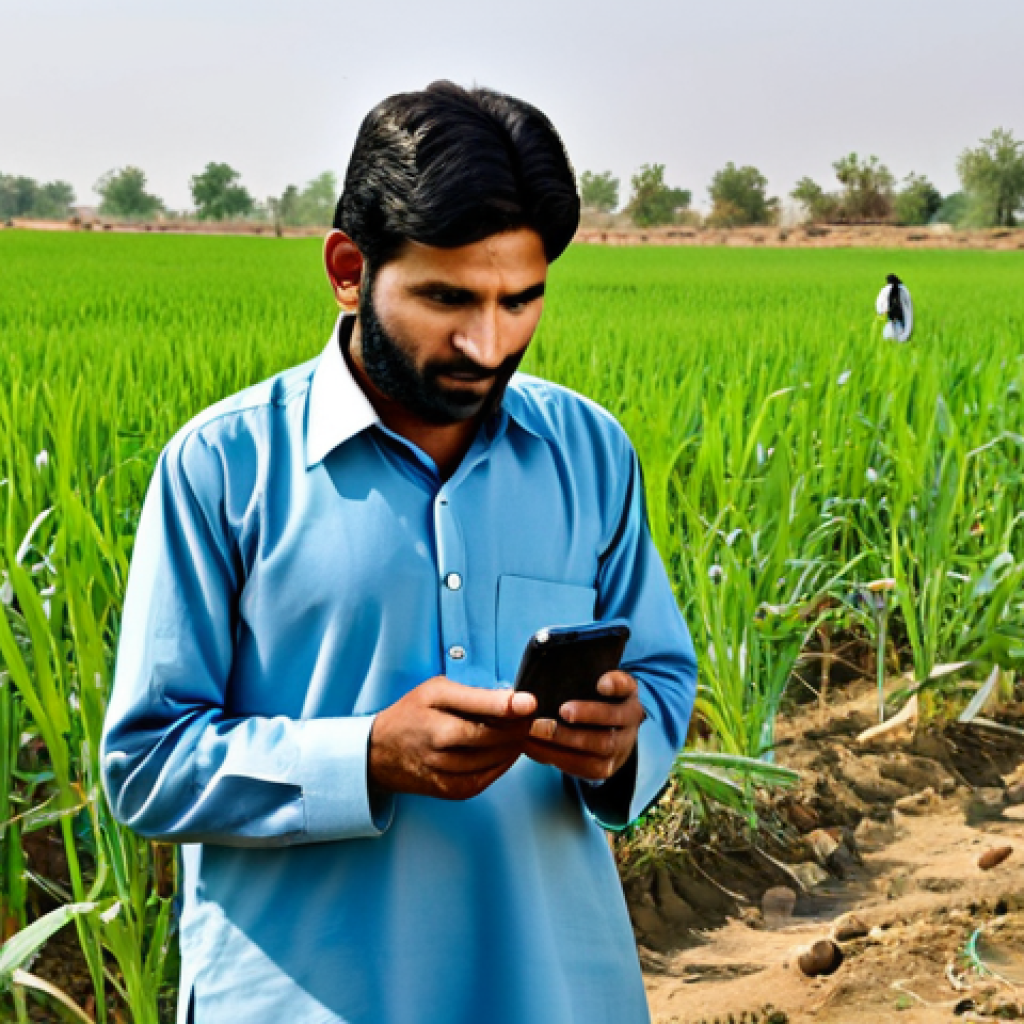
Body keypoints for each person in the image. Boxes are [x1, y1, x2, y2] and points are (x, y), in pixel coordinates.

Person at [101, 81, 697, 1024]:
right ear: (349, 269)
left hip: (552, 988)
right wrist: (367, 755)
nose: (487, 342)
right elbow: (147, 762)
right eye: (446, 298)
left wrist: (622, 742)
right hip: (303, 1000)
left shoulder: (589, 453)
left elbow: (661, 676)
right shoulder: (224, 466)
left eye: (520, 301)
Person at [876, 272, 913, 342]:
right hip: (897, 318)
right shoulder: (899, 288)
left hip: (896, 319)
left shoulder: (896, 290)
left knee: (895, 334)